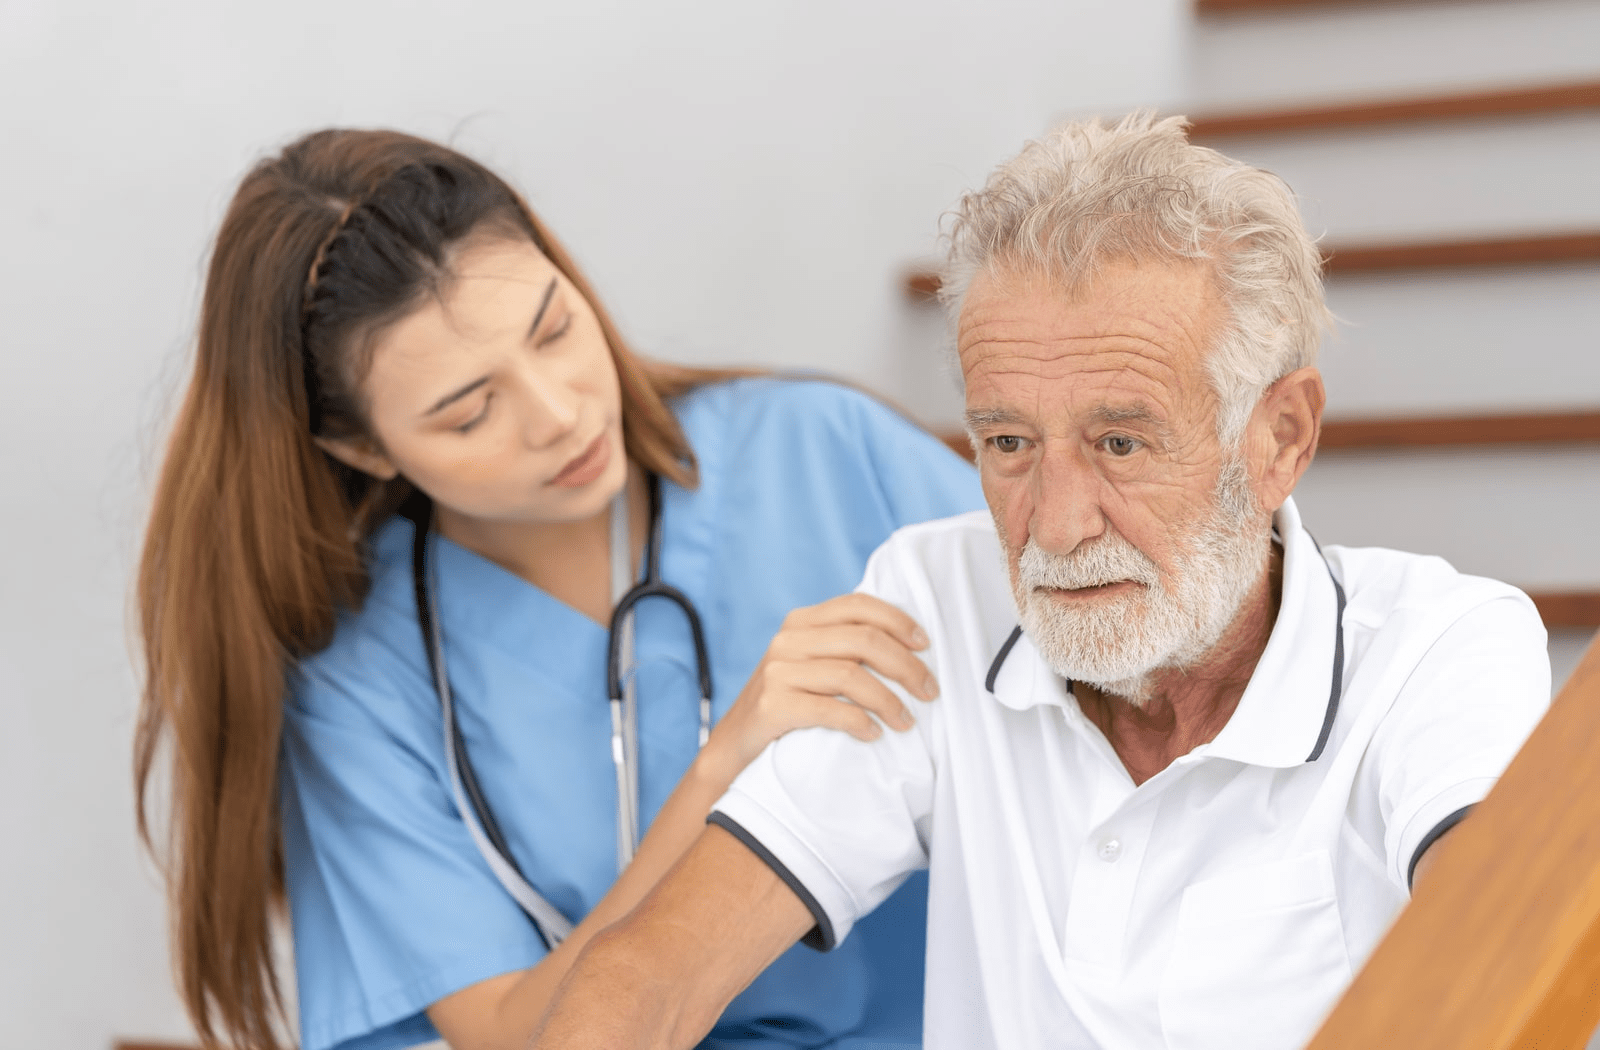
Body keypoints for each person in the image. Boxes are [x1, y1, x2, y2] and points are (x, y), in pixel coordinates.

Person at [528, 112, 1553, 1050]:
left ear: (1278, 437)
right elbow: (649, 976)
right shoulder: (935, 597)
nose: (1054, 526)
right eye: (1008, 440)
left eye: (1120, 440)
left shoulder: (1441, 647)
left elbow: (1506, 971)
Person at [133, 128, 984, 1050]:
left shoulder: (822, 452)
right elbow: (504, 1035)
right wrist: (722, 770)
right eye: (470, 411)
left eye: (554, 328)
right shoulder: (362, 676)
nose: (560, 413)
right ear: (364, 448)